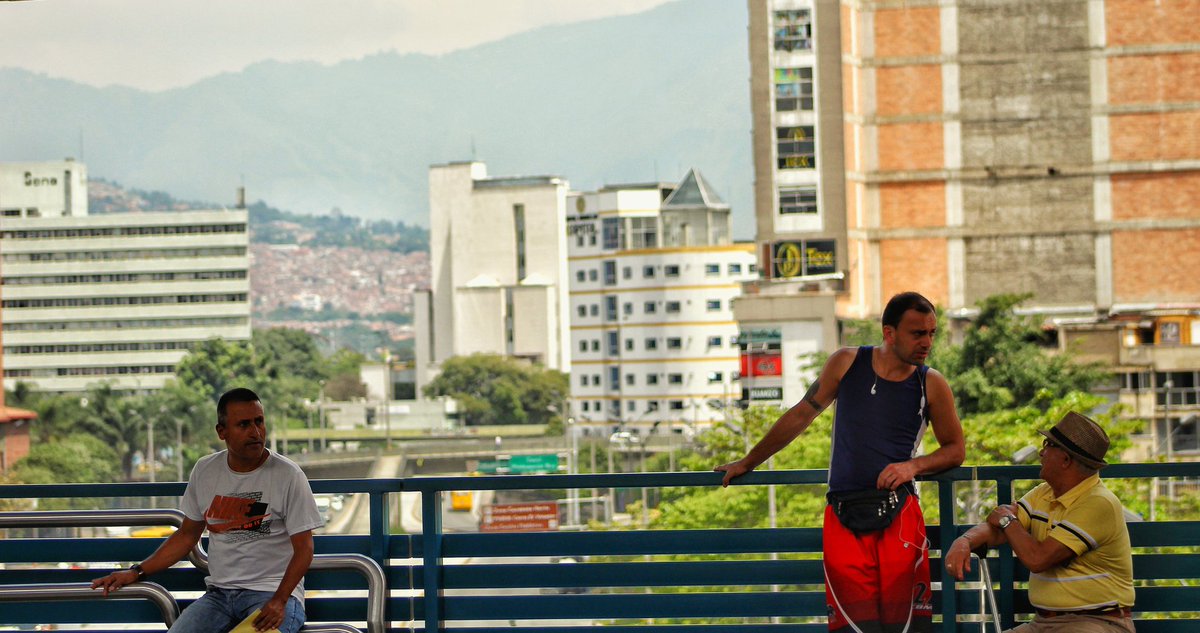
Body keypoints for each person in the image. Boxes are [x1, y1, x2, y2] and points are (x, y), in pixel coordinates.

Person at [716, 291, 965, 632]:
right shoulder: (847, 362)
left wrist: (912, 467)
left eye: (932, 333)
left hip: (899, 516)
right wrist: (749, 461)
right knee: (853, 626)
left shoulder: (930, 383)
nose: (927, 342)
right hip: (843, 515)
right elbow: (802, 414)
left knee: (905, 627)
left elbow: (955, 449)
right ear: (888, 332)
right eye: (917, 333)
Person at [92, 388, 325, 633]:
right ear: (221, 432)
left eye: (259, 421)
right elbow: (186, 535)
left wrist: (279, 601)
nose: (255, 432)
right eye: (243, 424)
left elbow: (304, 548)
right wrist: (136, 572)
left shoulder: (288, 475)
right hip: (219, 597)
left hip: (272, 595)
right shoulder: (205, 471)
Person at [944, 412, 1135, 632]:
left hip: (1098, 623)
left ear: (1065, 459)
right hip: (1044, 624)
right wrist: (965, 541)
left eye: (1048, 444)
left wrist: (1007, 519)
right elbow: (998, 529)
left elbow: (1037, 558)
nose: (1041, 452)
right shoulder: (1044, 493)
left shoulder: (1098, 503)